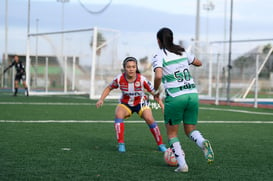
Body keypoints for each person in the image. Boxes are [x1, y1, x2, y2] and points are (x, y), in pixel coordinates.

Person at [152, 27, 214, 172]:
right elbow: (199, 63)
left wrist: (155, 90)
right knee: (190, 129)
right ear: (172, 39)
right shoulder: (182, 51)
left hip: (175, 97)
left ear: (158, 41)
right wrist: (186, 62)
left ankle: (182, 165)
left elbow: (159, 76)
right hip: (192, 94)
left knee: (172, 134)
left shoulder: (159, 55)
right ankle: (202, 142)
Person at [96, 56, 167, 153]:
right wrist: (101, 99)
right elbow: (109, 88)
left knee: (150, 118)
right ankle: (121, 144)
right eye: (128, 67)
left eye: (133, 67)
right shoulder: (119, 79)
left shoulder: (142, 79)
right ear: (124, 68)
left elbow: (155, 94)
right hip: (125, 104)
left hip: (141, 103)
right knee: (118, 114)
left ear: (136, 67)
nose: (131, 69)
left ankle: (161, 144)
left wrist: (162, 105)